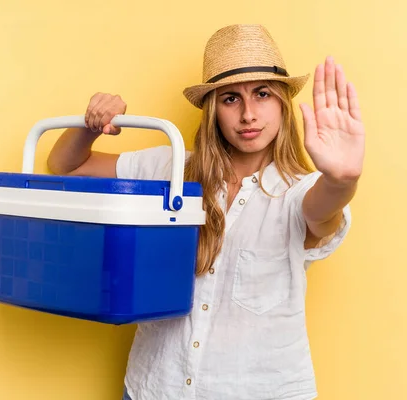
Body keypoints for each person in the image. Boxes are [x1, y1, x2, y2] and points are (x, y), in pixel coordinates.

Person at [48, 24, 365, 400]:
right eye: (231, 98)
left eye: (261, 94)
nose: (248, 114)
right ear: (213, 110)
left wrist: (342, 180)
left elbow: (322, 211)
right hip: (155, 387)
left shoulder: (299, 190)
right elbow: (65, 166)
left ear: (281, 101)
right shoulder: (172, 169)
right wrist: (92, 125)